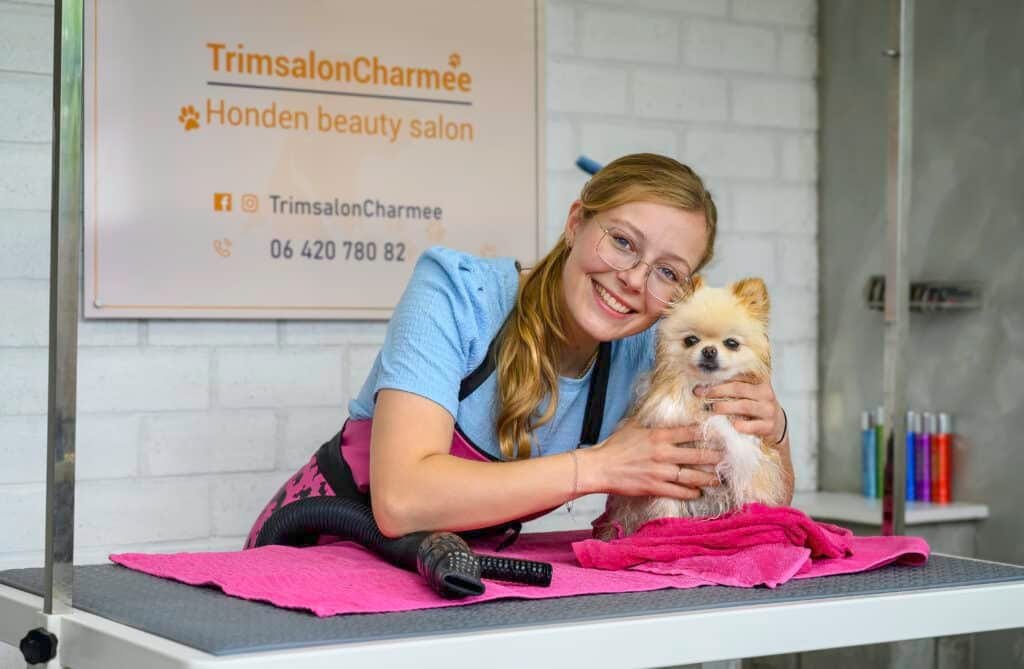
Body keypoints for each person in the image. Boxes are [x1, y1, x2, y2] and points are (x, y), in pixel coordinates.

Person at [245, 153, 794, 549]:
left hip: (448, 568)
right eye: (623, 242)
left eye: (667, 272)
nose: (632, 279)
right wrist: (599, 467)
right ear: (577, 223)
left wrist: (773, 429)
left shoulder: (657, 351)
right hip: (318, 547)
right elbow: (402, 501)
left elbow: (761, 500)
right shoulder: (456, 295)